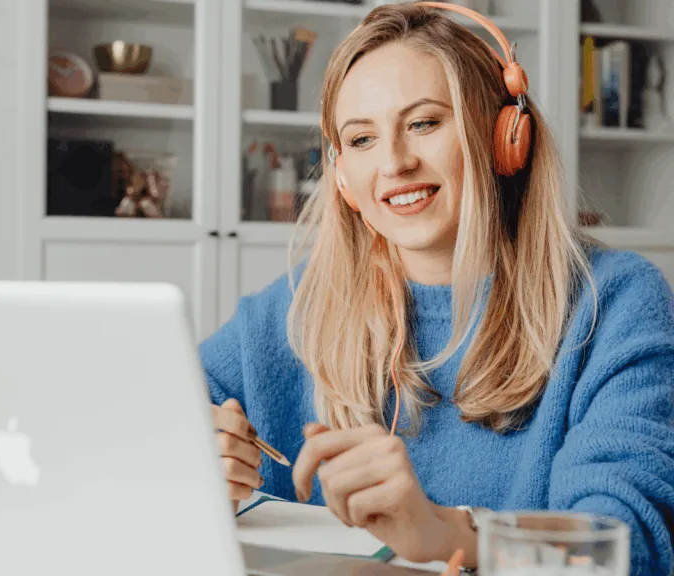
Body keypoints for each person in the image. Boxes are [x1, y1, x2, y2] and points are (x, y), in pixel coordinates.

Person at [202, 3, 674, 575]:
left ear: (506, 136)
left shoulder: (616, 303)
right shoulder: (298, 305)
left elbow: (624, 546)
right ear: (342, 174)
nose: (394, 163)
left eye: (423, 123)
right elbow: (153, 410)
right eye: (362, 139)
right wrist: (193, 463)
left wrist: (450, 534)